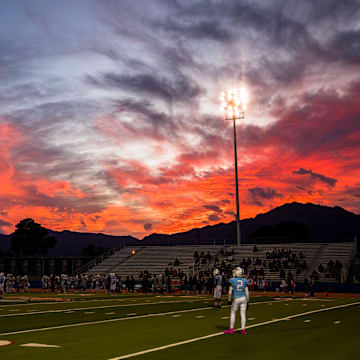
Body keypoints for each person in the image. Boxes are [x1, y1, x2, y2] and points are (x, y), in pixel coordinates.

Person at [224, 267, 249, 335]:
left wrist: (229, 300)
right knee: (243, 314)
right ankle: (243, 330)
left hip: (237, 298)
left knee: (233, 313)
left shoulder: (232, 280)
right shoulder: (245, 280)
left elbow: (229, 292)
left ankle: (231, 329)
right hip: (243, 298)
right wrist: (248, 301)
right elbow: (247, 292)